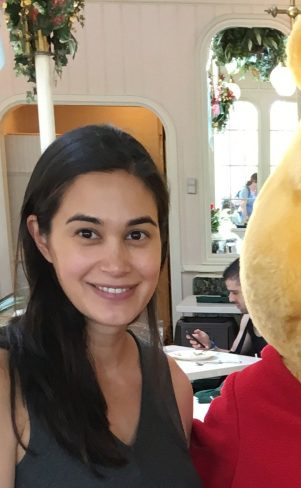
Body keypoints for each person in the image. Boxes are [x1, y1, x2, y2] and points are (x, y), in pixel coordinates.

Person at [0, 125, 201, 487]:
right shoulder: (6, 380)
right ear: (41, 238)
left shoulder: (172, 383)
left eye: (136, 235)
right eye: (87, 233)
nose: (117, 263)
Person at [187, 258, 266, 357]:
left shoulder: (282, 325)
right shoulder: (248, 318)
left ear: (254, 289)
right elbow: (236, 356)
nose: (230, 299)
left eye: (235, 292)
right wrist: (211, 347)